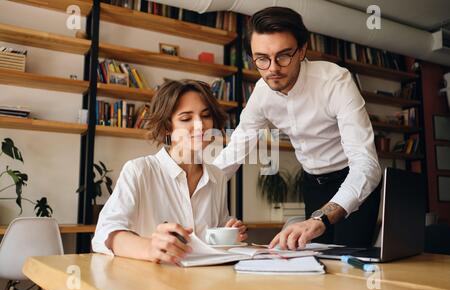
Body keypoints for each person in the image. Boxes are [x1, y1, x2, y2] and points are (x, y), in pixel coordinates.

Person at [213, 7, 382, 250]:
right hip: (312, 182)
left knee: (349, 262)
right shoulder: (262, 93)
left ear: (302, 50)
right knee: (316, 258)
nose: (272, 69)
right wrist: (194, 187)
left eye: (283, 56)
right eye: (261, 58)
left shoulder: (335, 81)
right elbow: (235, 150)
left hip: (352, 178)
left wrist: (321, 218)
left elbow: (366, 165)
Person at [92, 80, 248, 264]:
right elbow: (104, 234)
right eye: (186, 118)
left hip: (204, 283)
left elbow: (215, 231)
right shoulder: (140, 171)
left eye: (206, 116)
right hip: (153, 284)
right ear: (167, 126)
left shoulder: (217, 177)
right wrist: (149, 248)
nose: (200, 126)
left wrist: (229, 229)